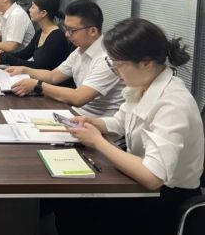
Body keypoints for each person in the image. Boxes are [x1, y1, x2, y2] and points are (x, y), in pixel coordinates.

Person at [52, 18, 204, 235]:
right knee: (69, 203)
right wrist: (92, 123)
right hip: (137, 184)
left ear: (146, 63)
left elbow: (152, 177)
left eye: (119, 65)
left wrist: (97, 142)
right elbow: (120, 122)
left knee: (79, 211)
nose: (115, 72)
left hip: (165, 199)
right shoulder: (142, 85)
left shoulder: (173, 103)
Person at [7, 0, 123, 117]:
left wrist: (37, 85)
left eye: (72, 30)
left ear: (92, 31)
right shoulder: (80, 50)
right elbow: (53, 76)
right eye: (66, 28)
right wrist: (24, 70)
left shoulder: (108, 58)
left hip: (96, 122)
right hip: (75, 114)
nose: (67, 34)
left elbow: (79, 97)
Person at [0, 0, 72, 73]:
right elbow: (24, 54)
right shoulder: (40, 32)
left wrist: (7, 58)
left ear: (43, 13)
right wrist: (3, 54)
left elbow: (38, 67)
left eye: (33, 7)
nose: (29, 10)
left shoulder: (56, 37)